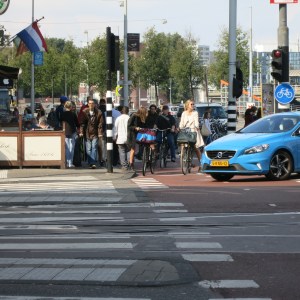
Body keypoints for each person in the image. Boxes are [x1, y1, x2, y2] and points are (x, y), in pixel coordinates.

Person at [179, 99, 204, 171]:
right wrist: (180, 127)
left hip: (193, 131)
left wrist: (197, 127)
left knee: (196, 148)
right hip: (186, 131)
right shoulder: (184, 113)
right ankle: (184, 157)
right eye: (191, 104)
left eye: (193, 104)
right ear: (187, 106)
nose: (193, 105)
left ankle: (201, 164)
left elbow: (196, 121)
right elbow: (182, 122)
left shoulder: (195, 113)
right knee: (183, 144)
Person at [79, 98, 104, 169]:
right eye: (89, 103)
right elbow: (82, 123)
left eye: (92, 103)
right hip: (87, 133)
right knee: (88, 149)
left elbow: (100, 123)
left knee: (94, 148)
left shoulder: (99, 112)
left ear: (95, 104)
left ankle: (92, 163)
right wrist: (81, 132)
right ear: (87, 104)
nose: (91, 105)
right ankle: (90, 162)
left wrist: (100, 133)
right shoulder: (84, 112)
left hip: (95, 133)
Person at [127, 107, 148, 171]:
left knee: (143, 145)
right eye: (145, 112)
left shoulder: (143, 118)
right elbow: (129, 125)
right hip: (133, 134)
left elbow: (145, 125)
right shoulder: (134, 116)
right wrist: (135, 128)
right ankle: (131, 163)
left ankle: (142, 157)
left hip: (140, 134)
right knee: (133, 149)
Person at [61, 101, 80, 168]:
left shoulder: (62, 114)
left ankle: (66, 161)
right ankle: (70, 163)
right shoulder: (73, 114)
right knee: (71, 148)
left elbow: (61, 122)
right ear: (71, 107)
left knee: (66, 148)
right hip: (72, 132)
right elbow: (77, 123)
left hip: (65, 132)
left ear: (65, 106)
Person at [113, 106, 130, 170]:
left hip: (120, 138)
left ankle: (124, 166)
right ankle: (129, 163)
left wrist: (115, 137)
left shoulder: (118, 118)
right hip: (128, 138)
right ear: (128, 111)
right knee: (128, 151)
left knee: (121, 152)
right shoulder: (129, 118)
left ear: (122, 111)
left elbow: (115, 128)